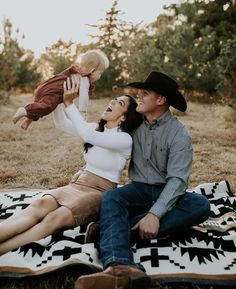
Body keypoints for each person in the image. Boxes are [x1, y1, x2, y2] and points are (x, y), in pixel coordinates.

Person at [74, 71, 211, 289]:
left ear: (160, 100)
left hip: (167, 191)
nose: (139, 95)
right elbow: (106, 129)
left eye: (144, 92)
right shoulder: (134, 125)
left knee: (201, 205)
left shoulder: (178, 134)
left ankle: (113, 230)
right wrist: (84, 89)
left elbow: (177, 181)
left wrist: (154, 215)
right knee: (112, 197)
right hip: (137, 190)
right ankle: (120, 267)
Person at [0, 76, 143, 256]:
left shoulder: (124, 139)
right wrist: (58, 98)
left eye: (119, 103)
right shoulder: (94, 129)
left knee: (54, 218)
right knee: (40, 203)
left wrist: (69, 103)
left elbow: (87, 136)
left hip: (99, 193)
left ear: (123, 117)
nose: (113, 101)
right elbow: (61, 124)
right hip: (76, 185)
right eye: (114, 99)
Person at [12, 49, 109, 130]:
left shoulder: (74, 71)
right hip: (53, 92)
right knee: (47, 107)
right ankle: (24, 111)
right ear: (92, 71)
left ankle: (27, 121)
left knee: (39, 105)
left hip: (45, 86)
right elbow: (84, 98)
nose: (100, 76)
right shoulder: (84, 80)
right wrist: (82, 113)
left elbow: (59, 76)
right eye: (100, 73)